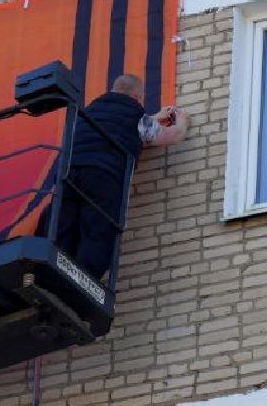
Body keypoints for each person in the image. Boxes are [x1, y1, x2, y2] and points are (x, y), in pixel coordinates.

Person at [52, 73, 187, 279]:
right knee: (98, 230)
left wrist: (154, 117)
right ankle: (84, 278)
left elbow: (118, 125)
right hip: (104, 176)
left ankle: (53, 270)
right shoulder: (135, 115)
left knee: (62, 223)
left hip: (70, 173)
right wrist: (182, 121)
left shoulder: (88, 111)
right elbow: (171, 135)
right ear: (137, 97)